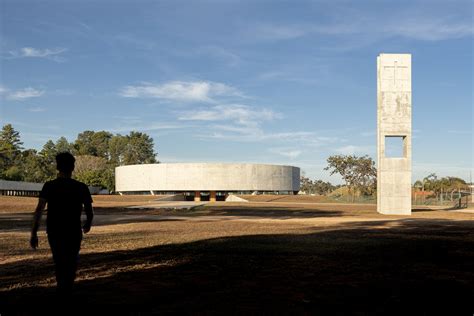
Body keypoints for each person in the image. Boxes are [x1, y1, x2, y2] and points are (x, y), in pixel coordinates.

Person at [30, 152, 94, 294]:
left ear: (58, 167)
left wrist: (34, 233)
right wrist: (88, 223)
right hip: (73, 230)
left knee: (59, 261)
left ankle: (61, 289)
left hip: (54, 230)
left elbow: (39, 209)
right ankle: (67, 289)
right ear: (72, 167)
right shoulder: (81, 187)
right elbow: (89, 210)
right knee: (71, 261)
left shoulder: (49, 186)